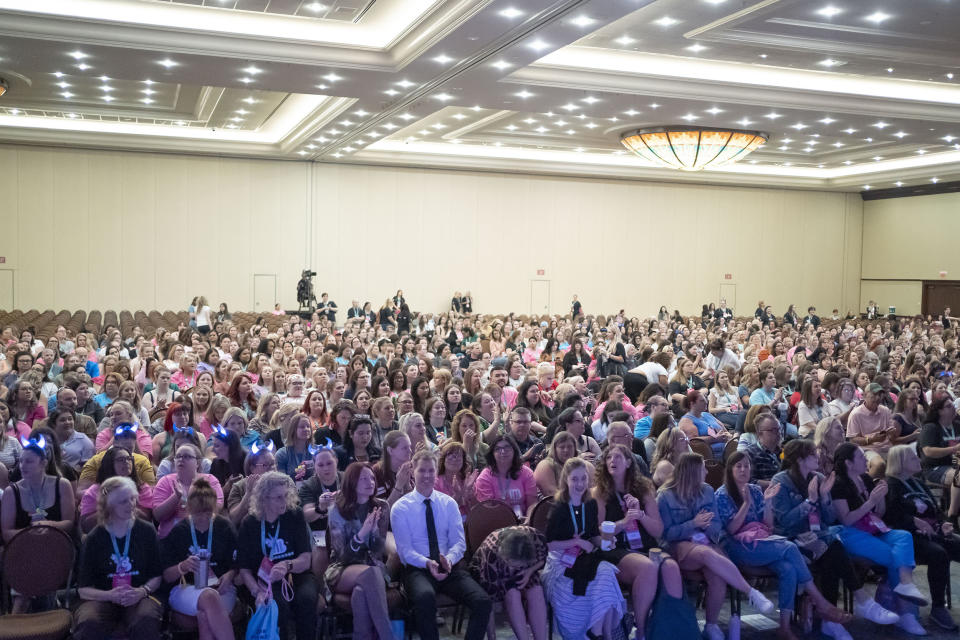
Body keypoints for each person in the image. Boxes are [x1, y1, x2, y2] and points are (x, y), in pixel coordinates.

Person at [770, 439, 899, 637]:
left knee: (831, 552)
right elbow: (785, 522)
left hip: (818, 537)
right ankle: (860, 602)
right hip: (792, 538)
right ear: (800, 459)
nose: (818, 457)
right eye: (813, 454)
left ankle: (831, 620)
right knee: (832, 547)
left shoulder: (820, 477)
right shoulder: (781, 481)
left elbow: (829, 518)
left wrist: (823, 498)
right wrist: (810, 501)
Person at [717, 452, 851, 640]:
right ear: (729, 470)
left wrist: (768, 501)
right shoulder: (722, 494)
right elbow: (731, 530)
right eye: (738, 466)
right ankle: (821, 602)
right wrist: (746, 504)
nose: (743, 470)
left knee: (788, 569)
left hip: (761, 541)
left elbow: (769, 525)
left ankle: (784, 627)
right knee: (789, 547)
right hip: (736, 546)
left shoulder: (755, 490)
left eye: (746, 466)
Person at [657, 453, 774, 640]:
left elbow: (717, 525)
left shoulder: (707, 490)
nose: (706, 471)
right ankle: (751, 592)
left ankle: (711, 625)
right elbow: (665, 534)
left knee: (717, 575)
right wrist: (693, 524)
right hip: (677, 546)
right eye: (703, 468)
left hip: (705, 541)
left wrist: (706, 528)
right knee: (705, 553)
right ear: (692, 472)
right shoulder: (665, 496)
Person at [390, 449, 492, 640]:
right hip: (417, 569)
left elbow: (459, 543)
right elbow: (405, 552)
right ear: (413, 472)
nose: (427, 475)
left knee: (482, 601)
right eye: (422, 471)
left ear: (436, 471)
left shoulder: (448, 504)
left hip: (448, 566)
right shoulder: (401, 508)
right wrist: (428, 563)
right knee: (424, 597)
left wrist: (449, 560)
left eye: (431, 470)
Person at [593, 443, 684, 640]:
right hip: (616, 548)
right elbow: (599, 530)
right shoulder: (599, 492)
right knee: (648, 567)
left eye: (617, 457)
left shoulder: (643, 488)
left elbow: (658, 529)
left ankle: (671, 627)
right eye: (608, 458)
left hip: (645, 544)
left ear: (628, 462)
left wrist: (640, 515)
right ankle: (641, 631)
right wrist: (624, 522)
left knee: (671, 568)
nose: (612, 461)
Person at [830, 443, 929, 612]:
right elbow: (846, 520)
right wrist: (871, 501)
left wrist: (880, 498)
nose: (866, 460)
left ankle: (905, 584)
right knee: (893, 556)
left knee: (904, 537)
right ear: (848, 463)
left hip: (874, 528)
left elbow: (879, 513)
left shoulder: (866, 479)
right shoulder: (838, 484)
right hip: (852, 532)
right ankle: (906, 613)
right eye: (861, 457)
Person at [543, 457, 625, 639]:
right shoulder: (559, 507)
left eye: (583, 478)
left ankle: (600, 633)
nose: (580, 484)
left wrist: (607, 541)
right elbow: (548, 544)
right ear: (566, 480)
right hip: (561, 560)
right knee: (604, 577)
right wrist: (576, 543)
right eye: (575, 479)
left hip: (585, 557)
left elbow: (593, 535)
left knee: (607, 573)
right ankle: (600, 633)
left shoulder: (590, 504)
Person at [74, 476, 164, 640]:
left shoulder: (147, 531)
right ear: (109, 506)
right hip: (103, 596)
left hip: (139, 594)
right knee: (89, 622)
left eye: (132, 499)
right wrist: (110, 595)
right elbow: (83, 589)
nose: (130, 505)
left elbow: (157, 576)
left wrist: (142, 591)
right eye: (123, 501)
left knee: (146, 618)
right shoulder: (95, 537)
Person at [885, 445, 960, 631]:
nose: (918, 461)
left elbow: (935, 509)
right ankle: (937, 608)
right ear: (900, 462)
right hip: (909, 537)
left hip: (933, 531)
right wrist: (913, 520)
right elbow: (889, 516)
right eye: (912, 459)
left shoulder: (918, 482)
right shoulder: (890, 484)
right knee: (938, 554)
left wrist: (943, 522)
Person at [238, 471, 319, 640]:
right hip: (265, 579)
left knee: (307, 599)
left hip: (296, 573)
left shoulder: (294, 515)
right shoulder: (250, 523)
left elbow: (305, 559)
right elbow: (244, 570)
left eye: (285, 495)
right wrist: (256, 591)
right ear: (264, 499)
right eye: (278, 498)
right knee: (276, 604)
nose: (284, 501)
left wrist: (288, 565)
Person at [161, 477, 237, 640]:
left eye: (208, 513)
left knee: (205, 613)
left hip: (221, 588)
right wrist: (183, 566)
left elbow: (238, 564)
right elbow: (166, 576)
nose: (203, 518)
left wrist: (230, 575)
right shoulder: (179, 531)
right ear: (188, 509)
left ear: (214, 509)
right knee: (209, 597)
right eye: (198, 514)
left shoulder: (224, 527)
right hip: (186, 588)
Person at [325, 462, 393, 640]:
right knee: (371, 574)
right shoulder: (336, 510)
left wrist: (375, 530)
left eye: (372, 478)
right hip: (341, 568)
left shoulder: (382, 506)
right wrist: (362, 534)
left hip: (371, 565)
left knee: (360, 594)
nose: (370, 482)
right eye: (363, 478)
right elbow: (341, 556)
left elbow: (378, 551)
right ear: (352, 482)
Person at [469, 526, 548, 640]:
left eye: (519, 566)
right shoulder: (490, 556)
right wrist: (492, 636)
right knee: (513, 594)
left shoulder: (536, 537)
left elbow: (543, 558)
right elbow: (487, 602)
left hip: (528, 569)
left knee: (536, 590)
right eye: (514, 565)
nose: (515, 569)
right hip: (492, 569)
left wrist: (529, 571)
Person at [152, 444, 224, 538]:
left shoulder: (210, 480)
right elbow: (158, 516)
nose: (181, 459)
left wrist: (193, 501)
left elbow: (217, 508)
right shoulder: (165, 481)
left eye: (186, 456)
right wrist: (176, 497)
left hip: (204, 536)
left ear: (197, 463)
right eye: (178, 456)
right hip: (171, 538)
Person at [79, 445, 154, 534]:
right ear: (109, 464)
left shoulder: (142, 488)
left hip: (135, 534)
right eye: (121, 460)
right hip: (104, 535)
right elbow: (86, 526)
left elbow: (147, 519)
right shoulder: (95, 491)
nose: (126, 462)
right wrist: (109, 506)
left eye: (129, 459)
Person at [917, 395, 960, 527]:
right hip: (934, 468)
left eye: (953, 405)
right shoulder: (931, 427)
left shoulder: (957, 425)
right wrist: (954, 449)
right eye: (948, 406)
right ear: (939, 411)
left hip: (955, 464)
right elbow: (928, 451)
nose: (953, 408)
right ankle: (951, 515)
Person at [474, 434, 537, 519]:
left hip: (524, 520)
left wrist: (528, 519)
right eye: (498, 449)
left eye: (507, 447)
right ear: (492, 454)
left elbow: (532, 504)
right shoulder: (485, 477)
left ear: (514, 450)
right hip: (496, 522)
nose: (503, 451)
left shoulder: (526, 472)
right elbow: (488, 511)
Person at [846, 383, 898, 460]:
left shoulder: (885, 410)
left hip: (886, 448)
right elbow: (853, 440)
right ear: (864, 395)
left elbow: (891, 435)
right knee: (879, 464)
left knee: (907, 457)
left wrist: (892, 433)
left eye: (880, 395)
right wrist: (872, 439)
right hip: (867, 450)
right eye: (874, 394)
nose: (877, 398)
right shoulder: (856, 414)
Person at [677, 389, 732, 459]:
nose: (706, 402)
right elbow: (693, 442)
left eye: (705, 399)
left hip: (726, 448)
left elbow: (724, 429)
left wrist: (729, 435)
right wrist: (714, 439)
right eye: (702, 401)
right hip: (710, 455)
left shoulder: (707, 414)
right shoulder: (686, 421)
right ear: (692, 404)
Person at [533, 431, 581, 498]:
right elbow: (551, 493)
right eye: (562, 447)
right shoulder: (545, 465)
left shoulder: (578, 465)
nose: (566, 450)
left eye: (570, 446)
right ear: (554, 449)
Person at [373, 430, 413, 507]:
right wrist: (398, 486)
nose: (410, 451)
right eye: (405, 448)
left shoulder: (408, 468)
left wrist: (407, 485)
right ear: (390, 450)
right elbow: (383, 511)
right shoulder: (377, 472)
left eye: (410, 446)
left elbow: (413, 505)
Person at [275, 412, 315, 485]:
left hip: (313, 492)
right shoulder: (282, 454)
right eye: (302, 427)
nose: (306, 429)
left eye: (308, 426)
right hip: (289, 492)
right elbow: (281, 481)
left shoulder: (317, 452)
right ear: (293, 430)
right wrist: (295, 475)